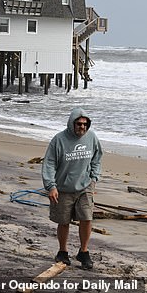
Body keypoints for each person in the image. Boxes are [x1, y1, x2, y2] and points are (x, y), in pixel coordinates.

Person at [41, 108, 103, 270]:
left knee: (87, 218)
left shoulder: (92, 137)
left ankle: (83, 251)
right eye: (79, 124)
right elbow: (49, 163)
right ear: (72, 123)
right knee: (64, 221)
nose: (82, 127)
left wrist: (94, 178)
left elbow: (97, 157)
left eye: (85, 124)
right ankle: (63, 251)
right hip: (63, 188)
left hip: (85, 186)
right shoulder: (59, 140)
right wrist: (51, 186)